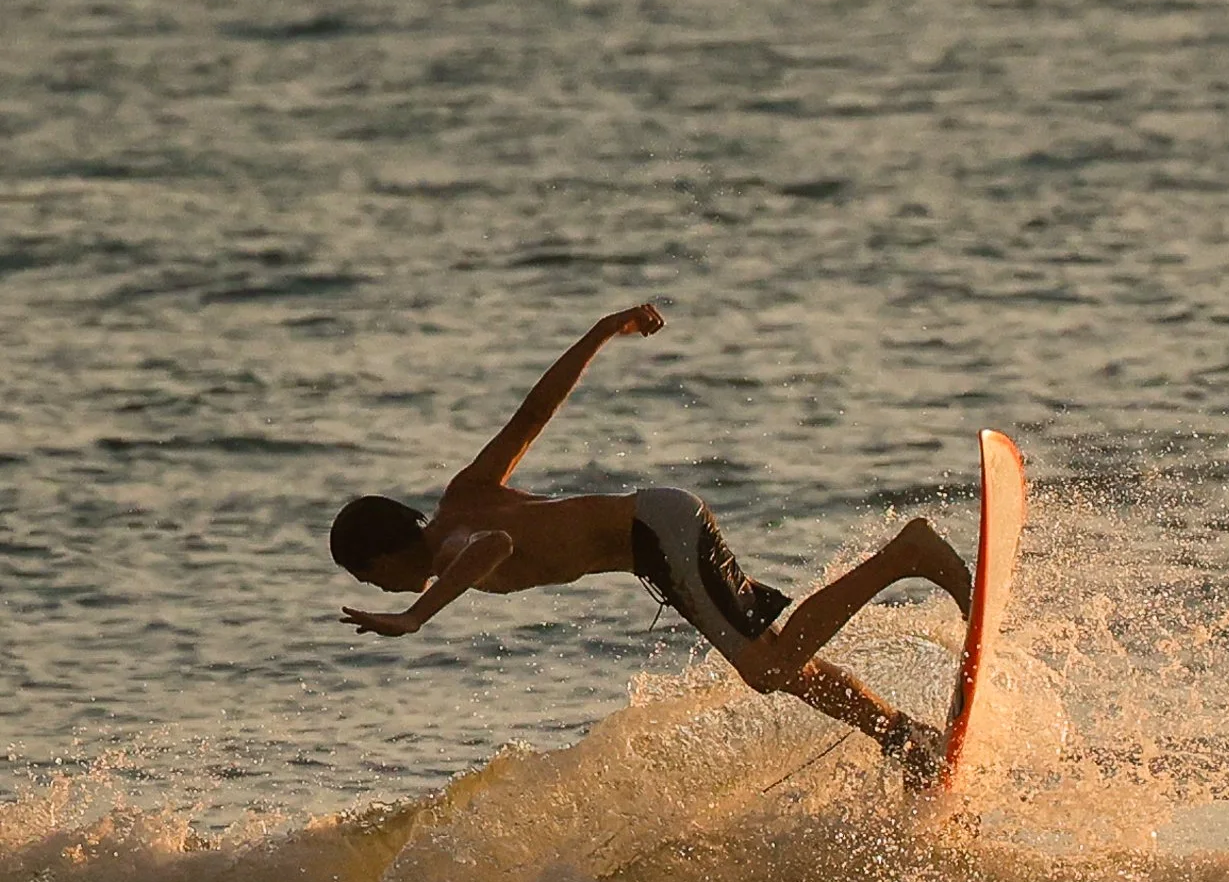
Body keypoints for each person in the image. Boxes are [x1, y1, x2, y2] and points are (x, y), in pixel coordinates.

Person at [331, 305, 972, 784]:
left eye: (371, 581)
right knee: (776, 663)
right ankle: (901, 736)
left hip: (657, 532)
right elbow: (532, 415)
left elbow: (492, 545)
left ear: (383, 557)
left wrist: (416, 615)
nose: (381, 590)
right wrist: (603, 331)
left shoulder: (451, 544)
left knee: (768, 669)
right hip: (656, 532)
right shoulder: (463, 491)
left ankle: (907, 555)